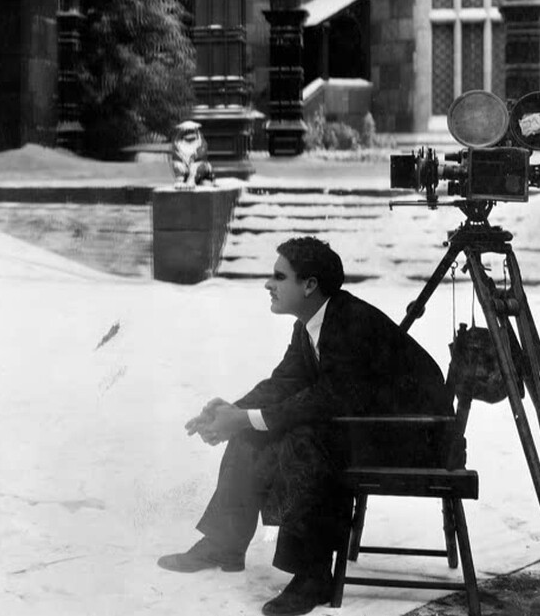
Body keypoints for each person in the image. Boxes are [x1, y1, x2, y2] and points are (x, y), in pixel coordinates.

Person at [157, 236, 453, 616]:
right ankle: (224, 544)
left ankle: (313, 576)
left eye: (279, 277)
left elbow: (328, 399)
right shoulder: (312, 323)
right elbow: (284, 383)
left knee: (307, 439)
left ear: (310, 285)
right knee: (259, 429)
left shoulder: (350, 322)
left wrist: (245, 418)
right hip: (374, 428)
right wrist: (232, 412)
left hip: (416, 439)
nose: (269, 284)